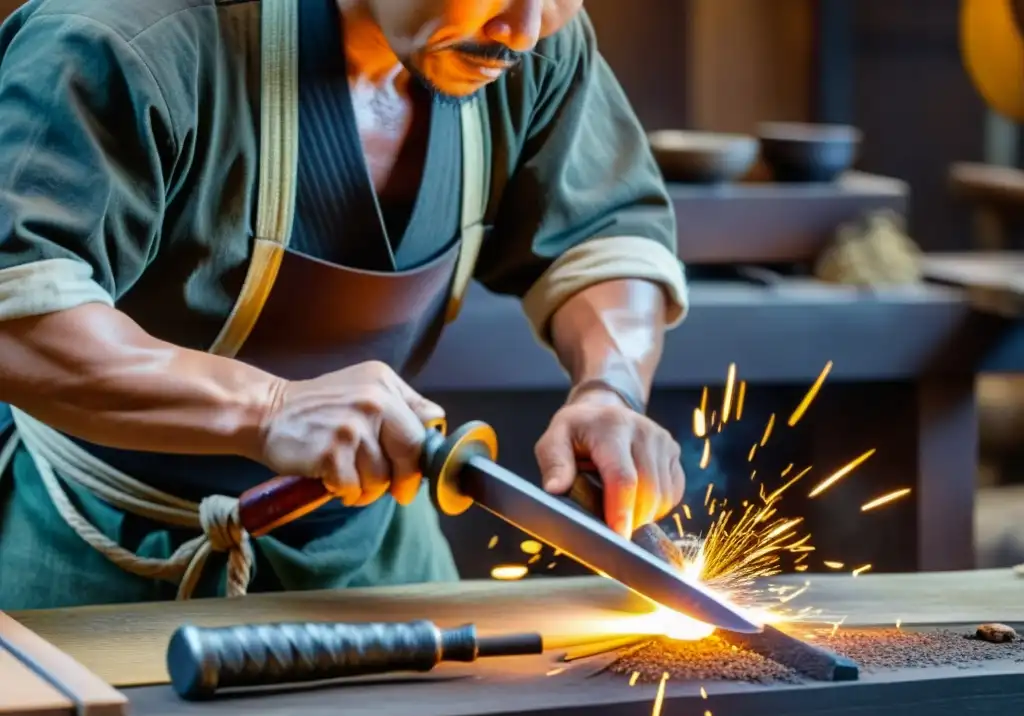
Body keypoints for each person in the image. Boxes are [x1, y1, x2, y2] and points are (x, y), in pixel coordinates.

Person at [0, 0, 689, 610]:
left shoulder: (524, 38)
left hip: (379, 557)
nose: (527, 29)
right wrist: (266, 408)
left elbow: (606, 236)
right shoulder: (120, 36)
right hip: (100, 551)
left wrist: (610, 388)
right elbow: (18, 322)